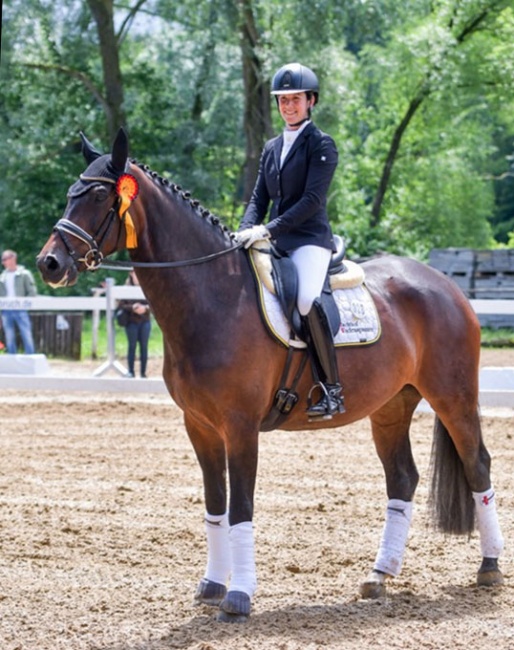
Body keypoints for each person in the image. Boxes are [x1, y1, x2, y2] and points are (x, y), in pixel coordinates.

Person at [235, 62, 344, 419]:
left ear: (311, 101)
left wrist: (267, 230)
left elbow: (312, 201)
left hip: (308, 239)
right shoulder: (271, 147)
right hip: (277, 240)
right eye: (283, 100)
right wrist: (245, 230)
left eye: (295, 99)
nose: (288, 106)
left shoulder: (321, 144)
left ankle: (331, 389)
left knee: (307, 300)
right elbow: (258, 199)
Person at [0, 249, 37, 354]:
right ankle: (12, 359)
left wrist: (25, 305)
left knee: (26, 334)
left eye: (5, 259)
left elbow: (32, 292)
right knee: (9, 337)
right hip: (6, 311)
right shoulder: (2, 277)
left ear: (13, 258)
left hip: (21, 309)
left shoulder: (25, 274)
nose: (3, 262)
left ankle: (30, 357)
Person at [117, 269, 151, 378]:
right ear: (131, 274)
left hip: (145, 320)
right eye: (134, 273)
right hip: (131, 322)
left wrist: (145, 308)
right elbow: (121, 305)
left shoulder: (147, 287)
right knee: (132, 346)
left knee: (144, 347)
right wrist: (133, 307)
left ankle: (143, 372)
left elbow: (154, 303)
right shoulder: (126, 288)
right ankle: (131, 371)